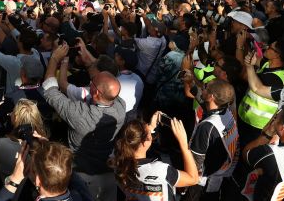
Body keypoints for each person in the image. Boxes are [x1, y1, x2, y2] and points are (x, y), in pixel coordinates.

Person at [42, 42, 126, 200]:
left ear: (94, 91)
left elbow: (50, 90)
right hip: (108, 175)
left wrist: (54, 59)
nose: (90, 81)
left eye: (92, 82)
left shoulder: (81, 115)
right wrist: (88, 60)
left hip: (84, 178)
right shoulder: (120, 106)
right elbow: (107, 83)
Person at [111, 114, 199, 200]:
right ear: (145, 142)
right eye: (149, 134)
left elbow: (136, 140)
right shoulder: (160, 170)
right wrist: (183, 143)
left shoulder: (119, 166)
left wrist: (150, 128)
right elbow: (193, 178)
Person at [183, 79, 240, 201]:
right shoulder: (227, 113)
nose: (202, 88)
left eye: (205, 87)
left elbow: (195, 163)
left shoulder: (207, 127)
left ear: (211, 96)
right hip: (219, 174)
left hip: (200, 182)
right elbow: (205, 104)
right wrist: (191, 84)